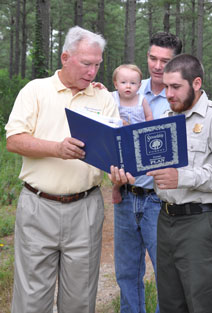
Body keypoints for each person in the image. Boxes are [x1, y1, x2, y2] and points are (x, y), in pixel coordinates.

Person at [5, 26, 119, 313]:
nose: (92, 72)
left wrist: (120, 172)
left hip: (86, 208)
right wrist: (57, 149)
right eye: (86, 63)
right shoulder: (36, 90)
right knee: (31, 298)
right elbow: (14, 140)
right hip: (38, 206)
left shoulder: (104, 99)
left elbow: (114, 151)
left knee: (80, 299)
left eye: (97, 65)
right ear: (65, 57)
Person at [146, 54, 212, 313]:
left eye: (175, 87)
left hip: (202, 225)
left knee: (204, 302)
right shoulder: (165, 119)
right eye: (165, 86)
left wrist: (183, 177)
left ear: (196, 83)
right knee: (170, 303)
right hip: (166, 221)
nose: (168, 94)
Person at [112, 32, 182, 313]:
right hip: (126, 194)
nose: (157, 65)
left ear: (176, 62)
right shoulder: (129, 87)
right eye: (153, 58)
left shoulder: (182, 96)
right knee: (127, 271)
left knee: (165, 270)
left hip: (160, 199)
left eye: (165, 60)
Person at [111, 63, 153, 203]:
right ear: (116, 84)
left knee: (138, 164)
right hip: (120, 139)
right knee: (119, 167)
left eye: (133, 83)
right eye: (123, 82)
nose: (128, 86)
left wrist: (148, 127)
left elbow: (148, 116)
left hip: (138, 137)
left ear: (139, 86)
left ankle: (135, 185)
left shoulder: (141, 100)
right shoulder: (112, 98)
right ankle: (117, 188)